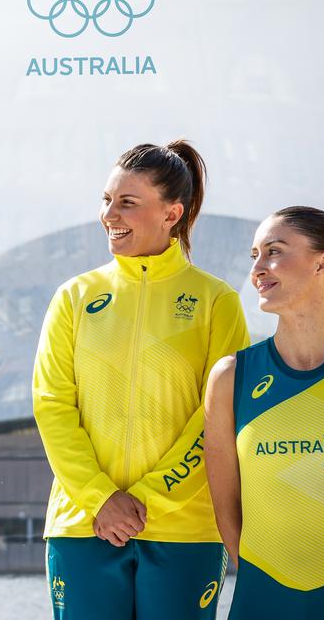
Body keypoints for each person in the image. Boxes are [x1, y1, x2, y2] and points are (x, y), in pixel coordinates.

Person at [33, 140, 249, 619]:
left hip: (183, 529)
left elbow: (216, 418)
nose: (110, 213)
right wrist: (101, 499)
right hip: (83, 525)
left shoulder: (217, 301)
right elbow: (52, 406)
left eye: (127, 202)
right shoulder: (74, 297)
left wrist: (146, 502)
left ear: (172, 213)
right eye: (106, 200)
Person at [205, 207, 324, 619]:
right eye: (254, 256)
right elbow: (226, 505)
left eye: (274, 252)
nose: (258, 269)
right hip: (263, 601)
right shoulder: (231, 377)